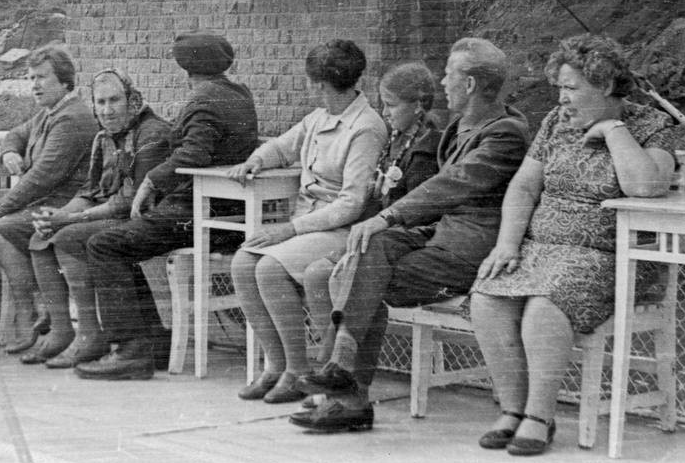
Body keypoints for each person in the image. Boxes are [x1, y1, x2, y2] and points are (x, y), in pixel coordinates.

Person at [289, 37, 530, 432]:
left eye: (449, 74)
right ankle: (342, 374)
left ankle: (348, 393)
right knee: (369, 249)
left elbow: (454, 183)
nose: (443, 81)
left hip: (468, 252)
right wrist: (383, 224)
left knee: (354, 277)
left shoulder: (505, 133)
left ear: (469, 84)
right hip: (436, 237)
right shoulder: (459, 126)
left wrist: (388, 215)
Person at [469, 34, 681, 456]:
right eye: (560, 88)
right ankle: (512, 410)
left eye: (571, 88)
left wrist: (612, 130)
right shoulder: (555, 123)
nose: (562, 98)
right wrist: (508, 245)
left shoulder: (651, 126)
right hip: (539, 249)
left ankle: (539, 417)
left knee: (545, 306)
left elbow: (645, 185)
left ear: (605, 86)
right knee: (486, 297)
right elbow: (525, 188)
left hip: (605, 257)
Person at [76, 31, 258, 381]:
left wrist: (151, 180)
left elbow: (195, 153)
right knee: (117, 242)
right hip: (224, 211)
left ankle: (131, 351)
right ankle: (152, 343)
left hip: (201, 214)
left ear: (186, 66)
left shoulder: (203, 99)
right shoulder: (238, 93)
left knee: (105, 244)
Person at [225, 40, 387, 404]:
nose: (308, 88)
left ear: (321, 84)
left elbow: (351, 204)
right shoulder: (319, 117)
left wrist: (290, 229)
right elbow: (282, 146)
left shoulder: (365, 128)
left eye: (311, 82)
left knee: (268, 267)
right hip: (309, 224)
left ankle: (298, 370)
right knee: (242, 261)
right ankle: (276, 365)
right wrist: (256, 160)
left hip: (341, 230)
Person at [25, 69, 172, 367]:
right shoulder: (104, 138)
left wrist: (72, 219)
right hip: (109, 216)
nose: (107, 110)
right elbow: (91, 190)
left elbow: (130, 201)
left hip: (148, 220)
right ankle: (63, 330)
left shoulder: (151, 133)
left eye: (115, 100)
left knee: (68, 237)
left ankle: (91, 335)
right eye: (101, 102)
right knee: (41, 235)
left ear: (132, 101)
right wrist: (60, 214)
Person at [301, 61, 444, 336]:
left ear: (417, 106)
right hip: (379, 233)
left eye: (391, 105)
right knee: (317, 273)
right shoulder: (397, 140)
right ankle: (335, 360)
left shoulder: (426, 149)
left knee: (321, 274)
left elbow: (418, 212)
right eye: (383, 104)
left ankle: (338, 361)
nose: (384, 113)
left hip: (407, 239)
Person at [0, 45, 98, 355]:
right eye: (31, 78)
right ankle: (38, 310)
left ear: (65, 81)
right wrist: (10, 151)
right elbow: (15, 133)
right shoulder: (50, 113)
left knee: (1, 227)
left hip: (68, 206)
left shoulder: (72, 118)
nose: (35, 85)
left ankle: (32, 312)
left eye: (42, 77)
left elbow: (43, 176)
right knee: (0, 227)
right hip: (46, 204)